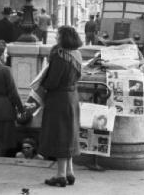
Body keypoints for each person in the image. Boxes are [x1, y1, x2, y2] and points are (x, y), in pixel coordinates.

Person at [38, 25, 82, 187]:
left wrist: (42, 81)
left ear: (64, 37)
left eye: (58, 35)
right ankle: (70, 172)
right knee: (69, 134)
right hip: (72, 97)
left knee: (60, 136)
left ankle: (60, 175)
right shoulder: (77, 54)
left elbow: (52, 81)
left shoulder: (60, 56)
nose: (56, 37)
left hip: (59, 99)